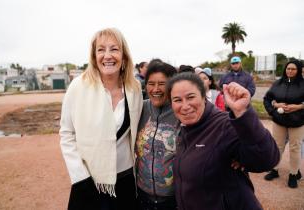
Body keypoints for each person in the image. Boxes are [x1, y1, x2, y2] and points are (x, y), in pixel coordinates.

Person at [166, 72, 279, 210]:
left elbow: (267, 159)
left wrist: (243, 112)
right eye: (177, 100)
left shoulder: (224, 125)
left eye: (191, 97)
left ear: (203, 97)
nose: (185, 106)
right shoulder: (183, 128)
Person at [59, 28, 143, 210]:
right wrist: (80, 178)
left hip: (126, 181)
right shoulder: (78, 87)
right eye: (101, 49)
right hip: (90, 182)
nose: (107, 56)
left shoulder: (134, 88)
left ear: (124, 55)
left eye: (114, 49)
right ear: (93, 55)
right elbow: (67, 134)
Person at [135, 61, 179, 210]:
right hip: (142, 196)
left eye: (162, 84)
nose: (155, 89)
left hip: (174, 199)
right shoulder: (139, 109)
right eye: (151, 83)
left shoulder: (182, 110)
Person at [263, 60, 304, 188]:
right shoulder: (277, 83)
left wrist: (298, 107)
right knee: (277, 146)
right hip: (279, 120)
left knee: (295, 148)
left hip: (298, 121)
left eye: (293, 69)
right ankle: (274, 170)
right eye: (288, 68)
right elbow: (267, 99)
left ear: (298, 70)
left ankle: (293, 174)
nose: (290, 71)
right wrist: (274, 107)